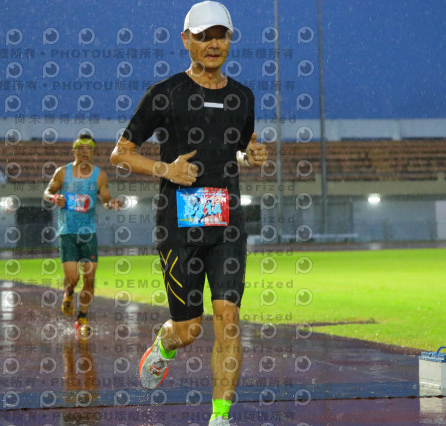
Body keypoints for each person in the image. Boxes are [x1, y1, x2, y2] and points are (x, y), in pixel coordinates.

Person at [110, 2, 267, 424]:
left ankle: (220, 417)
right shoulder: (165, 93)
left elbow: (240, 148)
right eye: (202, 36)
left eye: (220, 36)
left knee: (228, 319)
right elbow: (120, 154)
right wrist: (166, 169)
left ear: (230, 39)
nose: (213, 44)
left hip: (227, 223)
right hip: (178, 226)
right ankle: (164, 344)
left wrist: (251, 155)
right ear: (186, 40)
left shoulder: (242, 96)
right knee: (189, 330)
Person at [44, 134, 122, 337]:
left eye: (89, 148)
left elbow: (105, 199)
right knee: (72, 278)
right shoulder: (62, 173)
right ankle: (69, 292)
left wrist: (111, 203)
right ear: (74, 151)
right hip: (67, 232)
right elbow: (47, 192)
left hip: (88, 234)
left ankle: (82, 318)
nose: (85, 151)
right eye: (81, 148)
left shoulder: (99, 175)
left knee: (89, 278)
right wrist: (55, 197)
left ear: (94, 152)